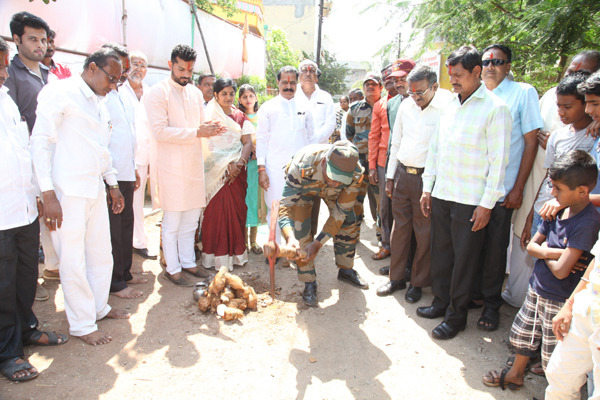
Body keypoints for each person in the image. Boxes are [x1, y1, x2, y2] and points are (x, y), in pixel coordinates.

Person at [31, 48, 132, 345]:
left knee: (101, 253)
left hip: (93, 189)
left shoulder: (100, 102)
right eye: (111, 78)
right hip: (66, 193)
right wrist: (47, 194)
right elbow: (39, 142)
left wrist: (112, 184)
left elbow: (102, 149)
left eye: (117, 80)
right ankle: (82, 324)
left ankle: (98, 307)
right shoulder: (59, 92)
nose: (114, 85)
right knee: (73, 259)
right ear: (91, 68)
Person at [483, 150, 600, 391]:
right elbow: (532, 247)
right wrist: (556, 252)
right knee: (522, 336)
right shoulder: (555, 209)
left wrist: (544, 250)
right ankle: (515, 374)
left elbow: (560, 272)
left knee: (554, 356)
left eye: (558, 188)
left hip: (560, 298)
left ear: (582, 191)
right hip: (537, 288)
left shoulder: (588, 222)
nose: (552, 193)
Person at [418, 46, 511, 340]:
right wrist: (427, 188)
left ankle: (456, 317)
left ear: (476, 72)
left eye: (458, 75)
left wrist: (487, 205)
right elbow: (435, 150)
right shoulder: (449, 105)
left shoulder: (496, 109)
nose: (453, 81)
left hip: (471, 200)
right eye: (450, 75)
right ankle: (440, 303)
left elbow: (499, 163)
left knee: (465, 261)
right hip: (444, 193)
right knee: (442, 254)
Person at [503, 51, 600, 309]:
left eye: (568, 107)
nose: (561, 112)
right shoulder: (557, 136)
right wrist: (530, 215)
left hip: (575, 217)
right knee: (539, 271)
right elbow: (548, 178)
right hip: (545, 210)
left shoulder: (595, 137)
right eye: (558, 106)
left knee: (564, 277)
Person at [0, 36, 68, 383]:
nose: (1, 74)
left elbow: (23, 151)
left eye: (1, 66)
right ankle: (8, 353)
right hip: (1, 216)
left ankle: (26, 330)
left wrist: (40, 194)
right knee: (3, 283)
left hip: (23, 208)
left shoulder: (6, 99)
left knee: (26, 277)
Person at [471, 44, 544, 331]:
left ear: (509, 66)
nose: (490, 66)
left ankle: (491, 306)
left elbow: (530, 143)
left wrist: (518, 187)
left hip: (503, 189)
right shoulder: (476, 94)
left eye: (497, 61)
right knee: (473, 246)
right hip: (475, 187)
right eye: (486, 61)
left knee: (494, 249)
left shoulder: (523, 93)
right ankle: (473, 296)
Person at [145, 44, 225, 286]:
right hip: (170, 166)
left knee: (191, 221)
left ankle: (189, 263)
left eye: (190, 70)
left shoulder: (195, 93)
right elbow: (159, 132)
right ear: (170, 65)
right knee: (172, 223)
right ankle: (173, 268)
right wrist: (197, 132)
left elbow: (201, 123)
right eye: (181, 69)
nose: (186, 75)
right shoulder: (157, 92)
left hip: (193, 164)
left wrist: (212, 128)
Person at [377, 64, 454, 303]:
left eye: (420, 92)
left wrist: (429, 188)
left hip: (426, 179)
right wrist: (390, 178)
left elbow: (440, 151)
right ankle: (396, 277)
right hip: (402, 175)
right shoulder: (405, 106)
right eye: (411, 92)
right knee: (400, 230)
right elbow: (396, 143)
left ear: (434, 87)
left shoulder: (445, 109)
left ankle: (418, 283)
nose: (416, 97)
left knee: (424, 234)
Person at [545, 78, 600, 396]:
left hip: (582, 225)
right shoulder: (594, 134)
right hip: (588, 299)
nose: (589, 110)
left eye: (594, 103)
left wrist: (576, 198)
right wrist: (572, 303)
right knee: (562, 375)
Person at [5, 11, 56, 301]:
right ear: (16, 39)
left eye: (43, 40)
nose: (40, 45)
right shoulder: (9, 75)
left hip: (48, 158)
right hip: (22, 162)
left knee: (45, 218)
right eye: (33, 39)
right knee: (27, 222)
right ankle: (28, 283)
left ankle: (49, 269)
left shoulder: (47, 75)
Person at [278, 141, 367, 306]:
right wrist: (289, 237)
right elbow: (285, 207)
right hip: (304, 188)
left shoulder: (355, 173)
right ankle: (309, 281)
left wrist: (318, 243)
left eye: (341, 180)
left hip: (334, 195)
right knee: (299, 230)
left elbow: (340, 212)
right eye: (333, 177)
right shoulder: (302, 165)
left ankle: (346, 269)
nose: (336, 183)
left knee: (348, 222)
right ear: (325, 162)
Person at [101, 43, 146, 299]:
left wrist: (133, 168)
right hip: (111, 175)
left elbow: (127, 134)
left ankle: (125, 273)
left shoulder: (122, 93)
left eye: (125, 67)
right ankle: (115, 282)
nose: (123, 71)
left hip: (126, 171)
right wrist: (113, 179)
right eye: (119, 65)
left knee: (126, 224)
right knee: (113, 229)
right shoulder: (102, 95)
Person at [257, 66, 315, 250]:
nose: (288, 86)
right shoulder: (268, 107)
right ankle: (275, 247)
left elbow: (312, 138)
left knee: (300, 210)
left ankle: (296, 250)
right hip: (274, 169)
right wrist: (262, 169)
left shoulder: (305, 106)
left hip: (300, 169)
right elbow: (261, 140)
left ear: (296, 83)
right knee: (274, 209)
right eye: (284, 82)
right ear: (278, 83)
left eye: (292, 82)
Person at [201, 78, 253, 269]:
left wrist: (238, 164)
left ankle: (236, 256)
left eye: (232, 93)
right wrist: (224, 165)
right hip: (215, 174)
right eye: (224, 93)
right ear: (215, 95)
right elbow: (205, 145)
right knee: (215, 216)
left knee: (236, 213)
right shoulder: (206, 115)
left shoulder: (240, 116)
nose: (229, 97)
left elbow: (247, 142)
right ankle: (213, 257)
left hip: (236, 173)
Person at [368, 59, 415, 261]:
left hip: (411, 164)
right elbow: (374, 136)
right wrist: (371, 166)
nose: (397, 83)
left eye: (402, 79)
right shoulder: (383, 105)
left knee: (407, 210)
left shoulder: (423, 101)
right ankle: (387, 245)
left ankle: (408, 252)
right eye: (394, 79)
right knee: (385, 208)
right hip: (384, 163)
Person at [121, 50, 156, 260]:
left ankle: (138, 243)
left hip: (144, 157)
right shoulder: (118, 90)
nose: (138, 69)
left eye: (143, 65)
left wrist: (153, 160)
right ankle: (125, 243)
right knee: (121, 204)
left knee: (137, 203)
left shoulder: (151, 93)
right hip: (122, 158)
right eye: (135, 64)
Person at [295, 59, 336, 241]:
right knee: (295, 195)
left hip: (319, 155)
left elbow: (330, 124)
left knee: (313, 196)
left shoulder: (325, 97)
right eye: (304, 71)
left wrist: (313, 140)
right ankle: (295, 238)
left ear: (317, 76)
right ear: (299, 75)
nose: (308, 74)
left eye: (312, 71)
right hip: (296, 154)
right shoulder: (292, 95)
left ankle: (310, 236)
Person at [346, 72, 384, 243]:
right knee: (356, 199)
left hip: (381, 162)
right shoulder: (354, 109)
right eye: (367, 84)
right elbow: (349, 134)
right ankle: (355, 235)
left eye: (374, 84)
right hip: (360, 162)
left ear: (380, 87)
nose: (370, 87)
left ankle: (382, 237)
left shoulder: (387, 106)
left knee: (382, 202)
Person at [238, 83, 267, 255]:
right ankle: (242, 242)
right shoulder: (238, 117)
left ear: (256, 97)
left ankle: (254, 242)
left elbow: (268, 138)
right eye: (244, 96)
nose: (248, 99)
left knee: (256, 202)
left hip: (258, 167)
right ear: (239, 100)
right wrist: (248, 150)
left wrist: (259, 151)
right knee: (244, 202)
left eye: (251, 95)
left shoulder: (262, 117)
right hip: (243, 166)